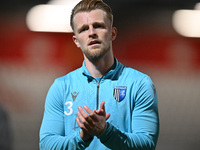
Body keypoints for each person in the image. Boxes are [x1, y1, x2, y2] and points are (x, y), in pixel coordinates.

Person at [39, 0, 159, 149]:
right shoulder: (61, 87)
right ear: (76, 41)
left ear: (112, 33)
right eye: (83, 29)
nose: (91, 33)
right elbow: (47, 145)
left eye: (98, 26)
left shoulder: (140, 84)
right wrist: (82, 137)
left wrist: (105, 131)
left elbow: (146, 144)